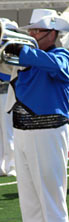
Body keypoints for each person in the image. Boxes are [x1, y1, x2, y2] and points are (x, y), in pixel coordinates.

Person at [3, 8, 69, 222]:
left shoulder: (62, 55)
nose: (33, 34)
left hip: (48, 132)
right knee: (29, 203)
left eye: (38, 30)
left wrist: (21, 50)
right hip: (20, 132)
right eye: (32, 30)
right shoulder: (25, 57)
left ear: (53, 33)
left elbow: (55, 66)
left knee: (52, 200)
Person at [0, 18, 17, 177]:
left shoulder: (12, 51)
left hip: (6, 93)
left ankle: (11, 166)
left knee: (8, 131)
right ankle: (1, 166)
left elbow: (10, 75)